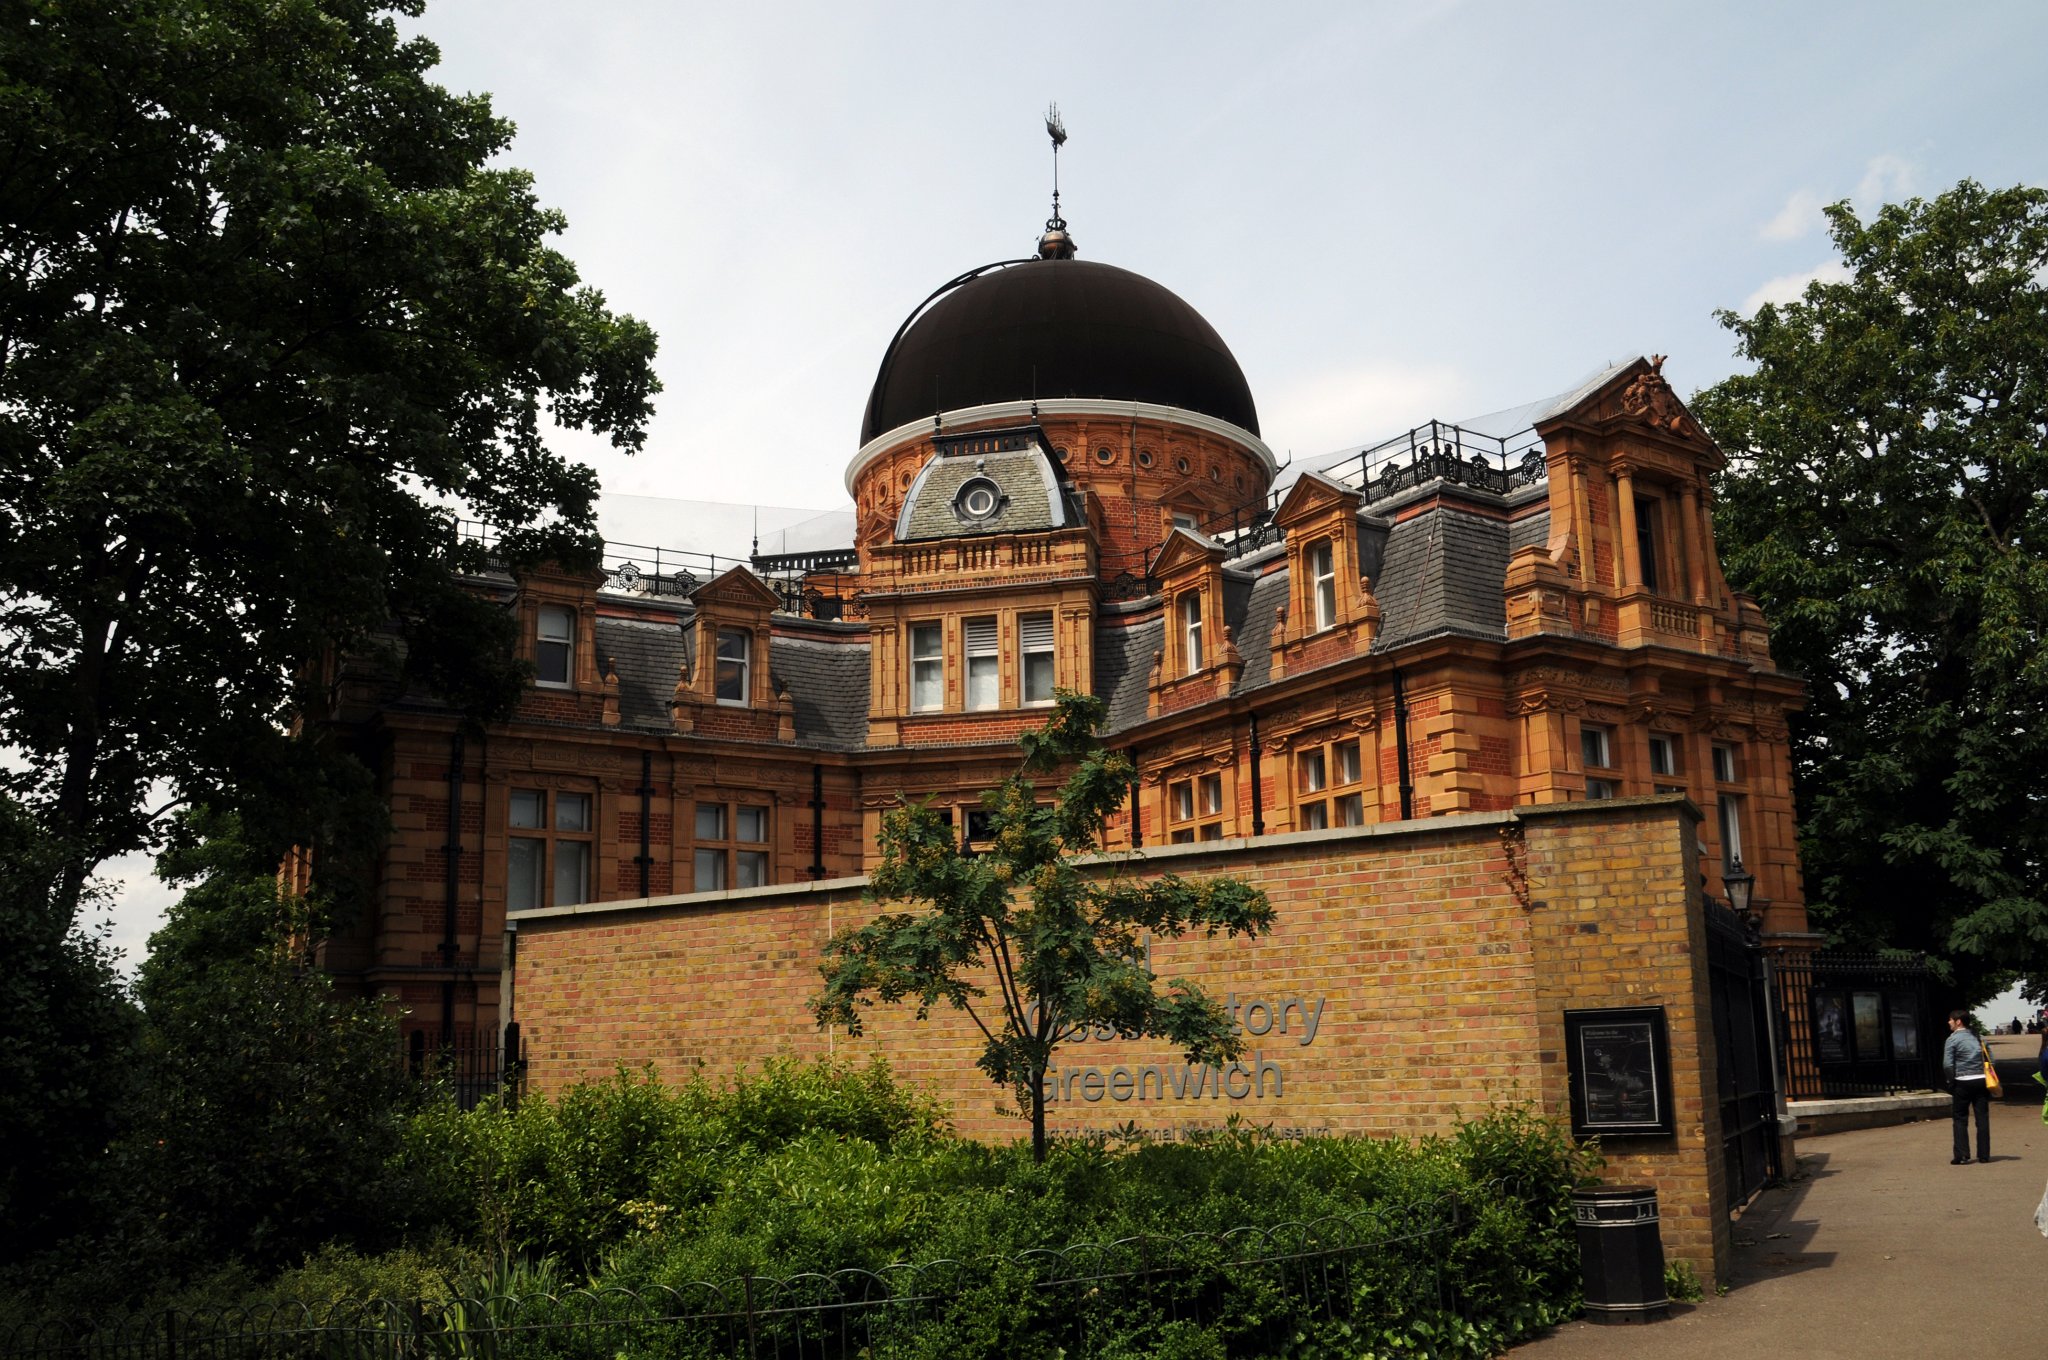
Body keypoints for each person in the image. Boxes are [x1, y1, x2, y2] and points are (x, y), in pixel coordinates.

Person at [1943, 1010, 1990, 1164]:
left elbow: (1948, 1064)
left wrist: (1951, 1081)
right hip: (1981, 1080)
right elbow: (1991, 1059)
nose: (1948, 1022)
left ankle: (1962, 1155)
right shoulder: (1978, 1037)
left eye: (1950, 1020)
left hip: (1962, 1081)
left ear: (1958, 1022)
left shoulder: (1952, 1039)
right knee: (1982, 1118)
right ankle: (1984, 1155)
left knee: (1960, 1118)